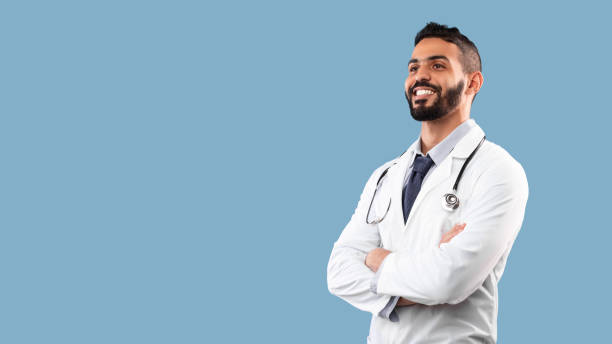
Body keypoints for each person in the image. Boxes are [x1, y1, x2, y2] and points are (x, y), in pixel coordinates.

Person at [327, 22, 528, 343]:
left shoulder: (499, 170)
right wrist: (423, 272)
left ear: (472, 82)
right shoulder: (385, 175)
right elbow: (338, 273)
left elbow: (450, 280)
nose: (420, 76)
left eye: (437, 65)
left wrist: (378, 260)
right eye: (413, 67)